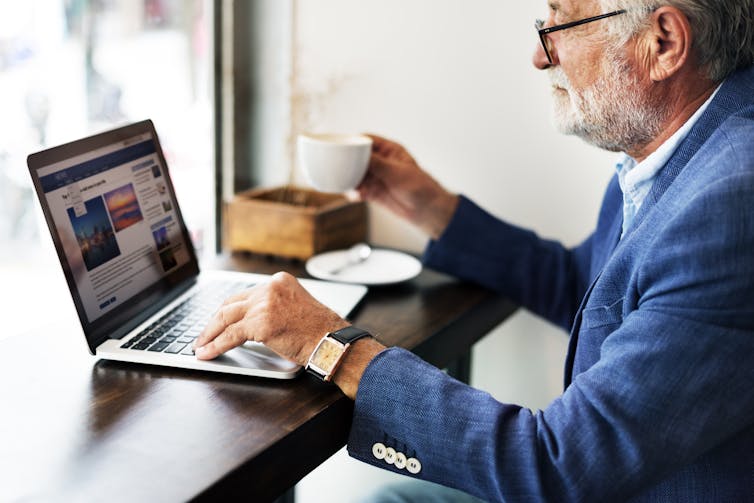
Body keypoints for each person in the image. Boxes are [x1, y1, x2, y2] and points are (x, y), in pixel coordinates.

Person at [195, 0, 754, 500]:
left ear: (664, 43)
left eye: (560, 21)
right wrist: (428, 207)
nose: (541, 57)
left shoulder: (727, 206)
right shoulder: (676, 154)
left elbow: (557, 467)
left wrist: (332, 346)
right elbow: (589, 289)